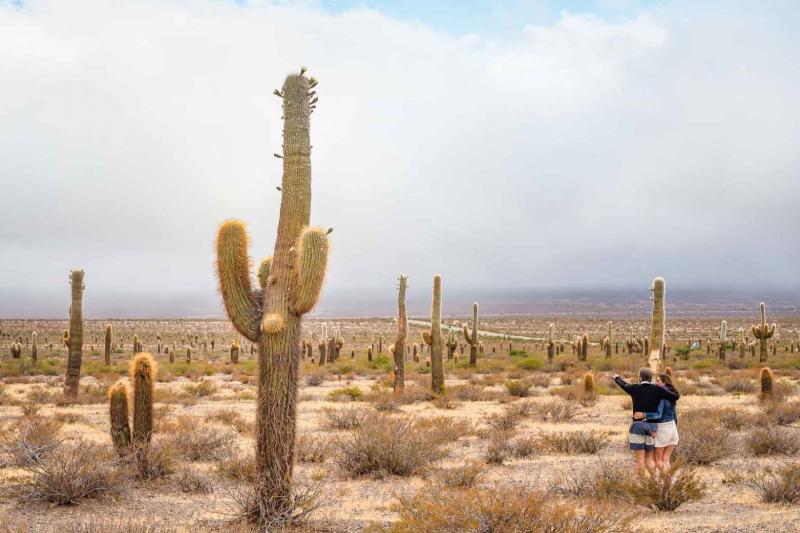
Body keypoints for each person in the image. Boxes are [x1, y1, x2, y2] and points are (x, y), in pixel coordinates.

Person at [612, 368, 680, 475]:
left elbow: (624, 385)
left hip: (638, 425)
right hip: (653, 427)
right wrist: (668, 387)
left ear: (640, 378)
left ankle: (643, 484)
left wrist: (617, 378)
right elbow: (675, 396)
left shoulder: (634, 388)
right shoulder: (657, 389)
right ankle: (653, 482)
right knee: (650, 458)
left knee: (640, 459)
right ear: (651, 378)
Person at [641, 373, 679, 472]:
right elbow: (675, 416)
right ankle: (668, 483)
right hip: (673, 429)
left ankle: (668, 481)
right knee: (666, 459)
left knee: (658, 460)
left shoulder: (662, 397)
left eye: (658, 381)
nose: (655, 383)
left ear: (664, 382)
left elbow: (658, 415)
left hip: (663, 429)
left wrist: (644, 415)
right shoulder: (672, 395)